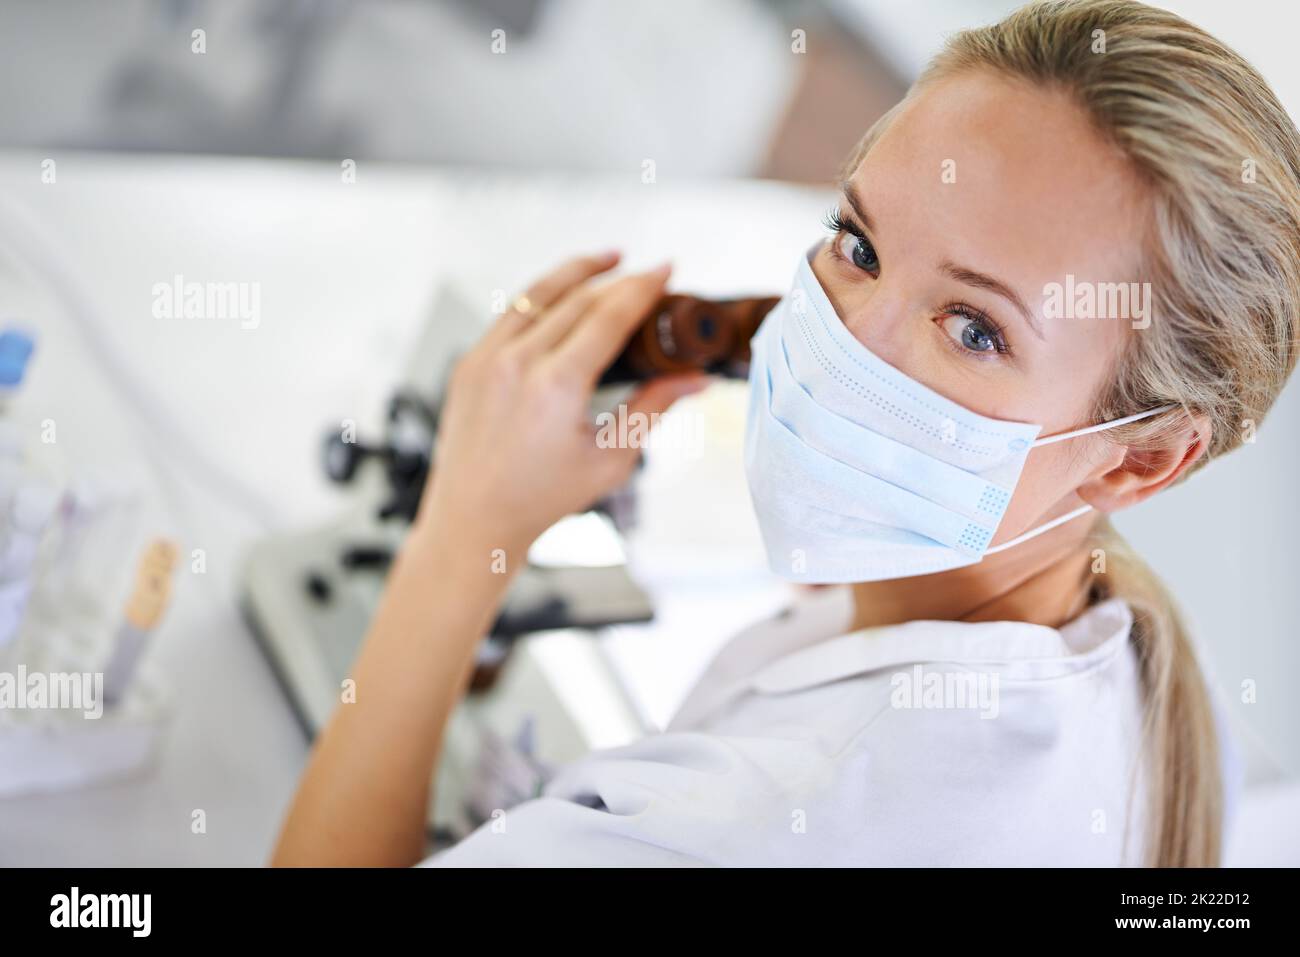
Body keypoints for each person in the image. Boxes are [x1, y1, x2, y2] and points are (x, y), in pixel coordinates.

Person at [272, 0, 1300, 867]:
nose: (849, 349)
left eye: (974, 329)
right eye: (858, 244)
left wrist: (466, 529)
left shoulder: (762, 821)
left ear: (1139, 458)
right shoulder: (1130, 655)